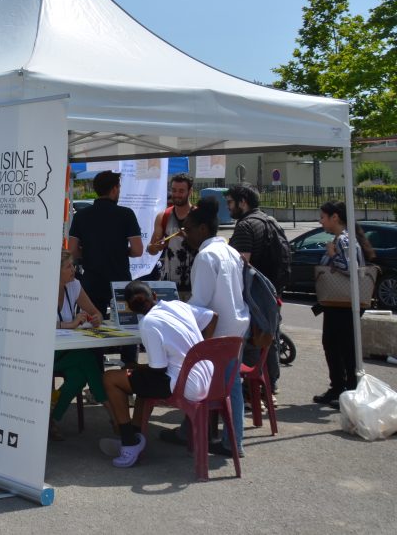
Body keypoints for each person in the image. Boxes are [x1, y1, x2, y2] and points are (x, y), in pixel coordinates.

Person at [100, 280, 218, 468]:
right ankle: (136, 435)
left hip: (184, 384)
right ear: (154, 296)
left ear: (130, 308)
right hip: (208, 378)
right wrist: (203, 346)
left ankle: (128, 442)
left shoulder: (148, 323)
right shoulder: (178, 306)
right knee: (138, 382)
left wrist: (135, 368)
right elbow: (213, 317)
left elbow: (157, 369)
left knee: (110, 379)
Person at [173, 196, 250, 458]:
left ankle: (227, 440)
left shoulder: (206, 257)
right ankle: (229, 439)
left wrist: (173, 312)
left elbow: (200, 303)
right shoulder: (230, 251)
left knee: (208, 382)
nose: (185, 236)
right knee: (231, 385)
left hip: (216, 332)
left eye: (189, 230)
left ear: (203, 229)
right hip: (236, 327)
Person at [227, 183, 287, 392]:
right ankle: (270, 386)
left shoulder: (245, 226)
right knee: (270, 340)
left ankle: (254, 390)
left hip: (254, 295)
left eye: (230, 203)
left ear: (242, 202)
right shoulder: (271, 221)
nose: (228, 208)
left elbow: (241, 263)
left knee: (254, 342)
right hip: (273, 292)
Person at [312, 200, 373, 409]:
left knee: (340, 347)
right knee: (334, 345)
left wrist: (331, 256)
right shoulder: (344, 239)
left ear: (334, 217)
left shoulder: (343, 240)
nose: (321, 221)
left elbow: (349, 268)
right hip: (339, 303)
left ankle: (346, 389)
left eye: (323, 217)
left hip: (342, 304)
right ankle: (339, 387)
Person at [67, 170, 144, 321]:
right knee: (125, 324)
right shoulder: (126, 214)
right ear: (115, 189)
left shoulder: (81, 216)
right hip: (120, 280)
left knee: (93, 327)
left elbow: (72, 250)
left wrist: (91, 251)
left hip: (92, 281)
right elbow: (137, 250)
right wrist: (120, 251)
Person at [50, 249, 106, 440]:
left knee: (78, 376)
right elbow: (37, 323)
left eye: (73, 265)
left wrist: (96, 318)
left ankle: (52, 420)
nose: (73, 269)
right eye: (68, 266)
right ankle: (105, 402)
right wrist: (70, 324)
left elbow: (96, 312)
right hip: (45, 353)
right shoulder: (42, 288)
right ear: (55, 271)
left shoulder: (74, 285)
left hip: (66, 351)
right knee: (86, 358)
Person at [146, 173, 195, 298]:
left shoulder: (198, 216)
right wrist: (155, 247)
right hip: (169, 284)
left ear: (190, 192)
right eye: (174, 190)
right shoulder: (163, 216)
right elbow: (151, 249)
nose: (177, 194)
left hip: (195, 284)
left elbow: (209, 247)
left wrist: (189, 238)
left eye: (181, 191)